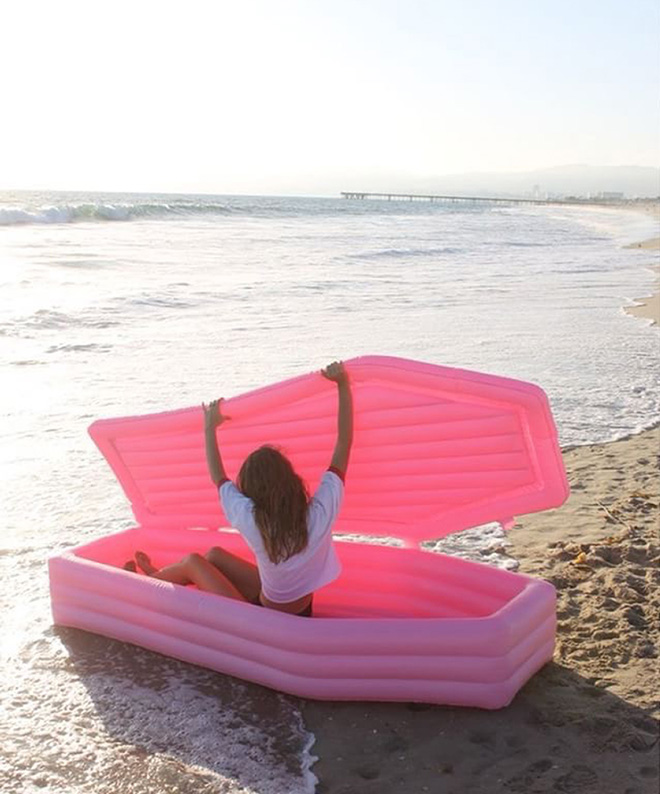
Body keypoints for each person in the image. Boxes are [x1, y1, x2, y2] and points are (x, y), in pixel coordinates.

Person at [126, 361, 353, 618]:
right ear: (290, 478)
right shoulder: (320, 512)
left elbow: (218, 476)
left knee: (193, 562)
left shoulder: (252, 518)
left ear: (252, 493)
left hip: (264, 615)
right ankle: (162, 575)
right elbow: (343, 443)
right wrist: (343, 385)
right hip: (301, 609)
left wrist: (209, 427)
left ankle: (148, 583)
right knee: (213, 555)